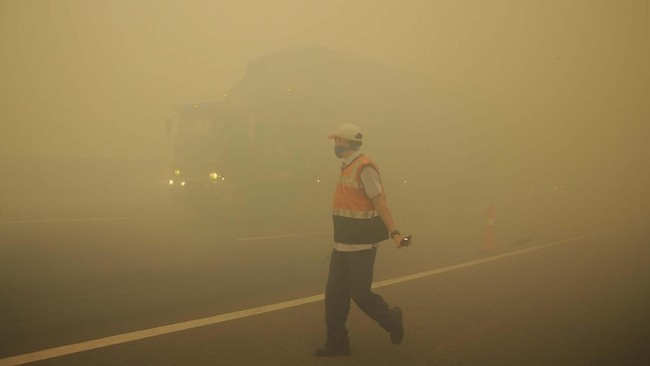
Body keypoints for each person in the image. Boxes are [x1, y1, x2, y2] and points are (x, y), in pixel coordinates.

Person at [314, 123, 407, 357]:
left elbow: (379, 202)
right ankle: (337, 343)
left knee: (360, 294)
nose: (334, 145)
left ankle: (391, 319)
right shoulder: (346, 166)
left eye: (337, 141)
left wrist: (395, 233)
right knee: (335, 295)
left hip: (362, 245)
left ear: (344, 143)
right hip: (342, 244)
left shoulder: (364, 168)